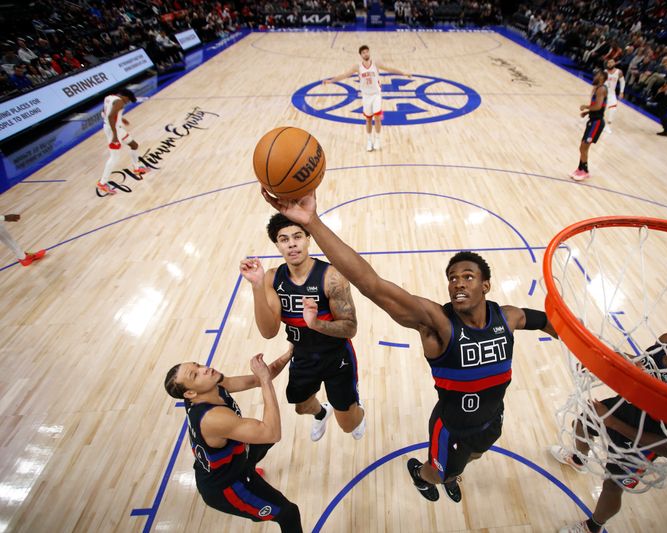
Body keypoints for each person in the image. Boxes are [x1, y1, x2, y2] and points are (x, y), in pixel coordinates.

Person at [260, 189, 558, 504]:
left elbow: (549, 322)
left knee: (475, 456)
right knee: (440, 473)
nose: (457, 282)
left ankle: (455, 471)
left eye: (467, 277)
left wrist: (580, 344)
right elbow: (370, 283)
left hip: (493, 419)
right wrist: (313, 223)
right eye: (452, 278)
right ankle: (422, 474)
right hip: (451, 429)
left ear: (485, 286)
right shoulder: (437, 324)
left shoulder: (508, 317)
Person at [550, 321, 667, 533]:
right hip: (627, 409)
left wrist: (613, 424)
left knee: (612, 486)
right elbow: (640, 362)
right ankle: (578, 460)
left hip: (644, 442)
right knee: (582, 423)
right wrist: (605, 359)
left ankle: (593, 527)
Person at [239, 213, 365, 442]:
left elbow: (350, 328)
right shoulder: (272, 278)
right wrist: (257, 286)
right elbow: (268, 332)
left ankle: (356, 408)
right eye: (284, 239)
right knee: (302, 406)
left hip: (337, 356)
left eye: (297, 236)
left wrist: (315, 323)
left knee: (348, 426)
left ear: (308, 238)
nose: (292, 244)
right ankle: (322, 412)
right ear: (277, 245)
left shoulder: (331, 277)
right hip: (303, 355)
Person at [163, 350, 302, 532]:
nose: (204, 369)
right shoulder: (213, 418)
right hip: (227, 487)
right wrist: (265, 380)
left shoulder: (213, 386)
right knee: (289, 513)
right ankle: (248, 477)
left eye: (197, 365)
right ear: (190, 392)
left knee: (262, 442)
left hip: (231, 460)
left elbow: (258, 379)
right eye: (195, 374)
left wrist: (291, 352)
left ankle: (248, 467)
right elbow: (272, 432)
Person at [323, 45, 411, 152]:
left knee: (377, 117)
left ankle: (377, 139)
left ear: (369, 52)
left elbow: (389, 69)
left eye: (367, 52)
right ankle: (369, 140)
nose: (366, 54)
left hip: (376, 95)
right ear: (360, 55)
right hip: (366, 96)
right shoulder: (357, 67)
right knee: (368, 119)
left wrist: (404, 73)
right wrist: (331, 81)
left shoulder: (376, 64)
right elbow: (345, 75)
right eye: (363, 53)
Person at [97, 88, 149, 196]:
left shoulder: (109, 97)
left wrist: (121, 118)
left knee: (134, 145)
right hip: (114, 131)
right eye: (128, 100)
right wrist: (115, 136)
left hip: (116, 128)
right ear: (125, 96)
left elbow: (104, 113)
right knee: (114, 157)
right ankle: (102, 183)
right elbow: (111, 116)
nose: (127, 102)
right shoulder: (120, 101)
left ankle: (137, 168)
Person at [571, 70, 608, 181]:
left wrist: (585, 107)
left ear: (602, 77)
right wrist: (587, 113)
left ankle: (584, 171)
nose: (595, 75)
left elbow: (598, 107)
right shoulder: (598, 88)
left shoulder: (601, 89)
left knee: (584, 147)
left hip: (596, 123)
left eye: (597, 74)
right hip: (593, 120)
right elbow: (597, 107)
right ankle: (580, 168)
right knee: (582, 147)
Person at [604, 59, 625, 133]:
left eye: (611, 62)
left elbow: (622, 82)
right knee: (599, 108)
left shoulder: (619, 72)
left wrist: (621, 92)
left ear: (614, 63)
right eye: (608, 62)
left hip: (612, 93)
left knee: (613, 109)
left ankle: (608, 126)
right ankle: (588, 118)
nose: (609, 64)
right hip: (604, 92)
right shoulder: (605, 72)